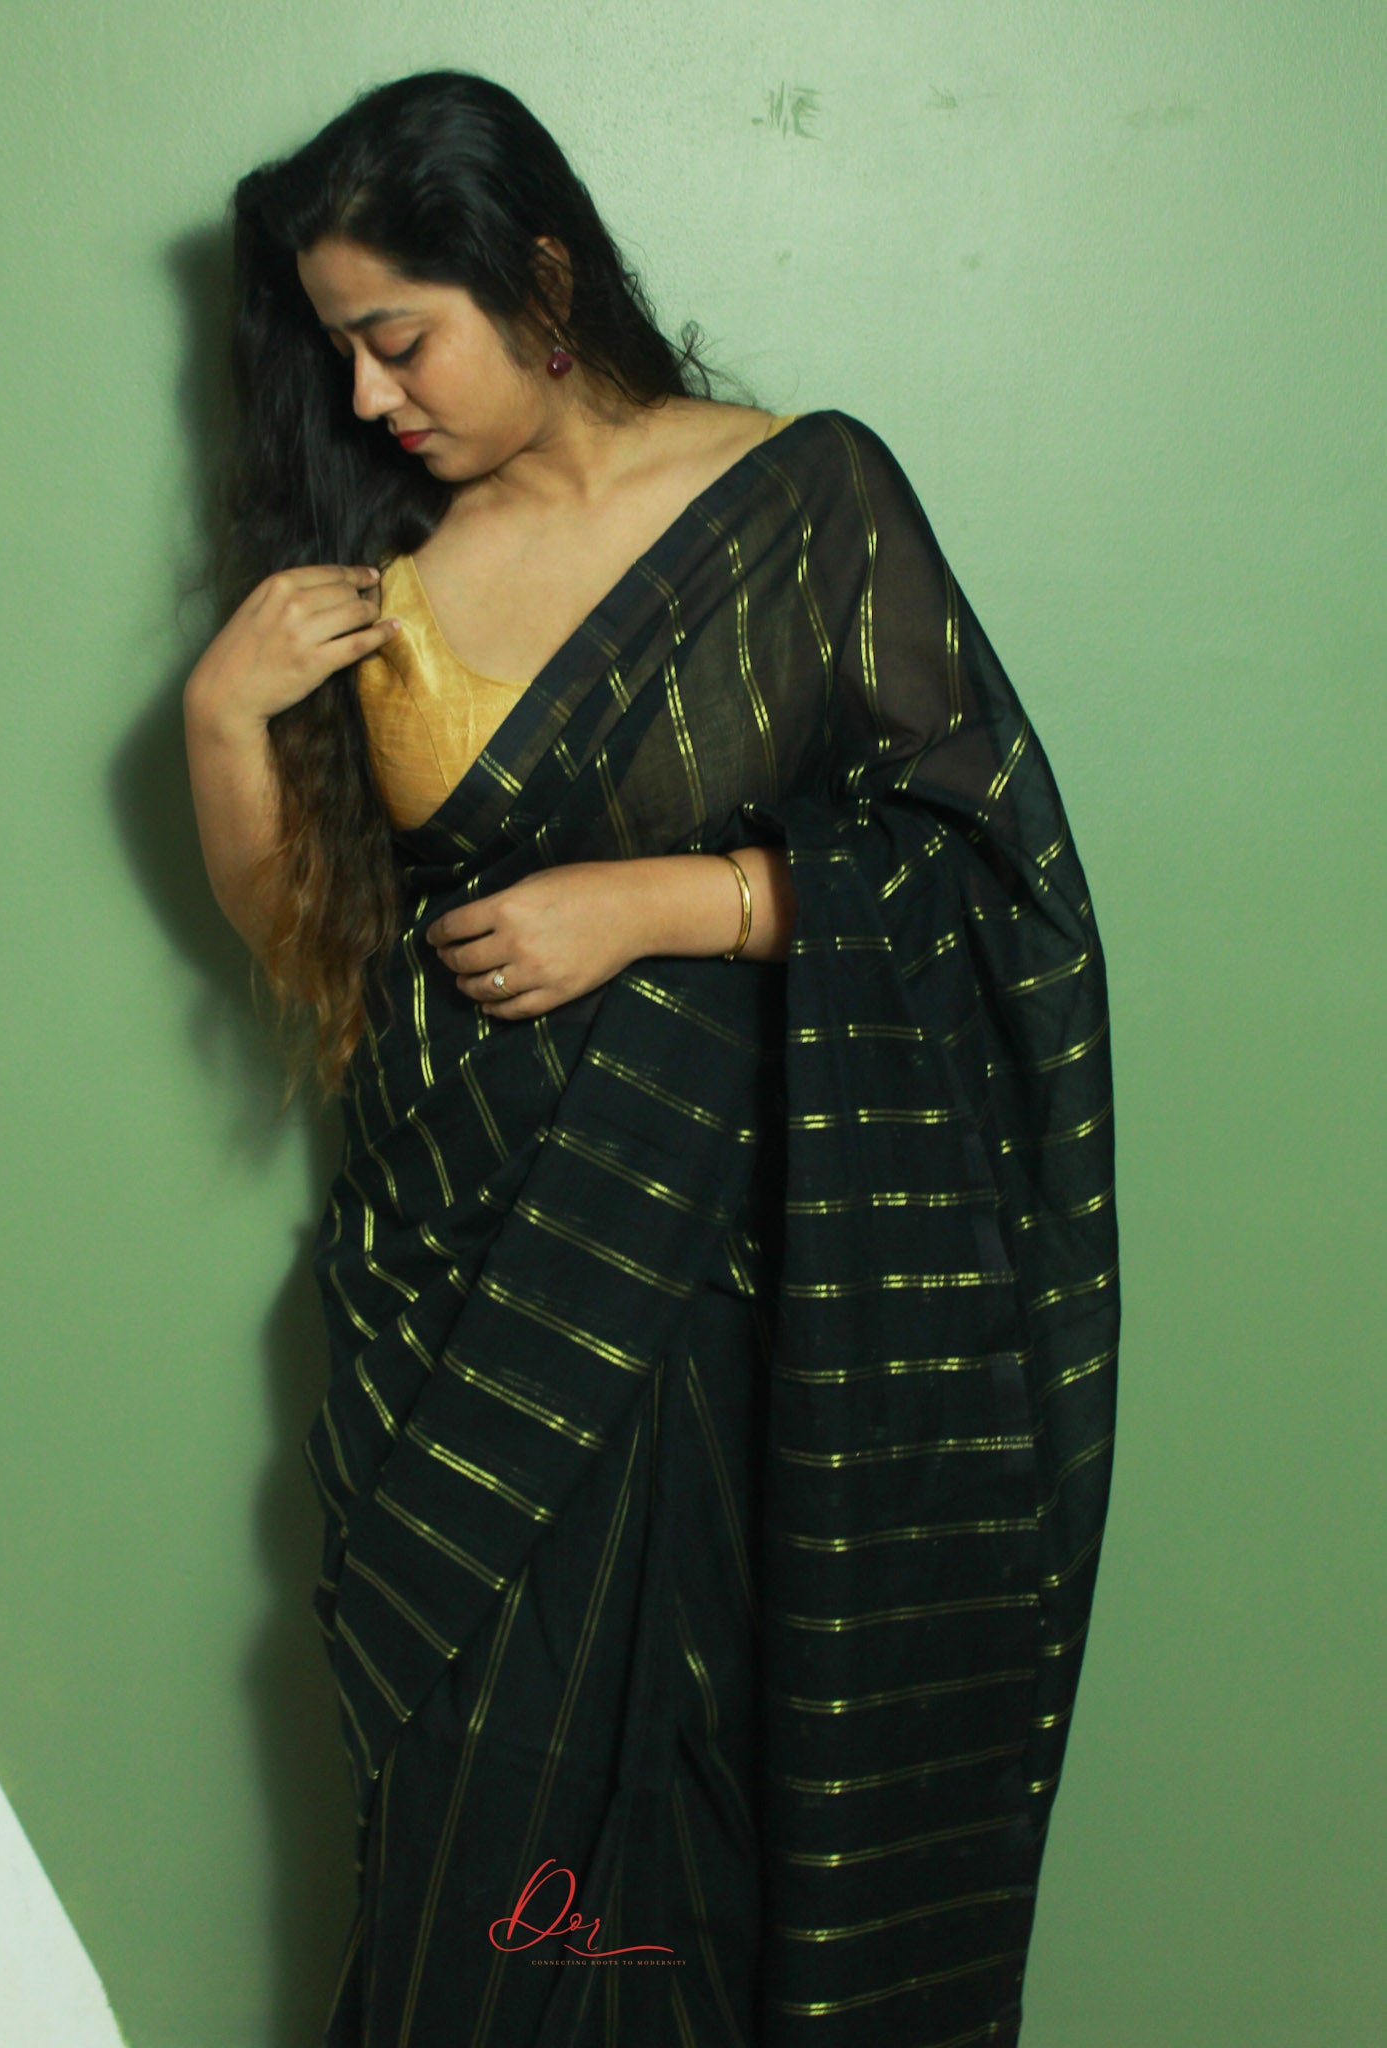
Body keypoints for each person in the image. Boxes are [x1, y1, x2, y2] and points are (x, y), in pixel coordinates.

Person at [182, 66, 1119, 2048]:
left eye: (396, 338)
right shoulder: (386, 576)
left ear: (540, 280)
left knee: (730, 1814)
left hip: (743, 1294)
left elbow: (990, 883)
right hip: (466, 1294)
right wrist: (219, 723)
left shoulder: (804, 504)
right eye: (339, 352)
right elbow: (319, 955)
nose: (366, 397)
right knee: (472, 1856)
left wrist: (666, 902)